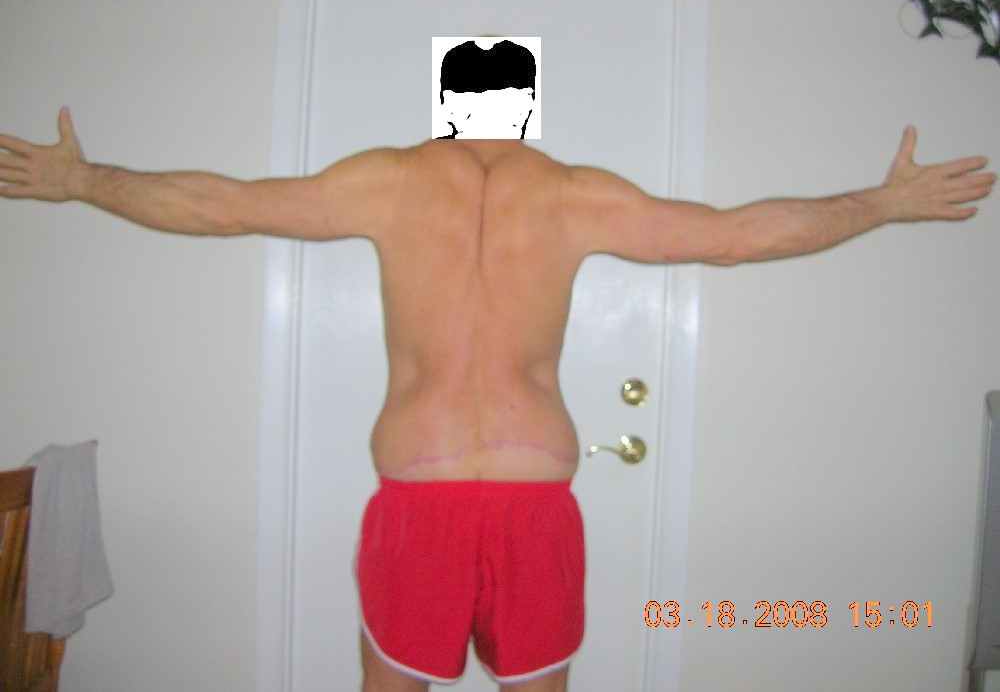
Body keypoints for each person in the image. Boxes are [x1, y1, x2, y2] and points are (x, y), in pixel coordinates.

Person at [0, 106, 994, 692]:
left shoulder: (386, 180)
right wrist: (884, 202)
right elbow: (733, 235)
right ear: (522, 109)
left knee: (393, 683)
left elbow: (222, 206)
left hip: (419, 491)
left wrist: (84, 179)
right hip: (532, 495)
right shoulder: (573, 191)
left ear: (448, 105)